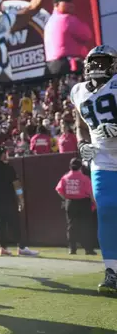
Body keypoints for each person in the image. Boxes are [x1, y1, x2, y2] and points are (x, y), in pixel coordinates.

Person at [70, 45, 117, 295]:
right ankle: (113, 272)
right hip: (102, 158)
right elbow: (79, 123)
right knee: (107, 210)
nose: (97, 66)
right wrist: (82, 143)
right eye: (94, 62)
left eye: (102, 61)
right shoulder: (77, 91)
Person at [0, 146, 40, 256]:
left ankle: (3, 248)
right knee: (15, 224)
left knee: (0, 224)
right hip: (8, 200)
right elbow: (17, 185)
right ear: (2, 155)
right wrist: (21, 199)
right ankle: (21, 248)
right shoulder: (8, 168)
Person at [44, 0, 93, 76]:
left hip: (51, 66)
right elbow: (87, 35)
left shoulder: (49, 22)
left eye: (71, 1)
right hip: (67, 65)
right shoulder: (68, 19)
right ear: (56, 5)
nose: (71, 4)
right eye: (66, 1)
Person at [55, 157, 97, 255]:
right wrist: (94, 203)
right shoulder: (84, 178)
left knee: (71, 226)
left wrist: (66, 198)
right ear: (80, 167)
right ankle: (88, 249)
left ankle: (72, 249)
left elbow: (58, 190)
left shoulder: (65, 177)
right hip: (83, 203)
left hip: (70, 203)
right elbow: (91, 193)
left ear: (70, 166)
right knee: (86, 226)